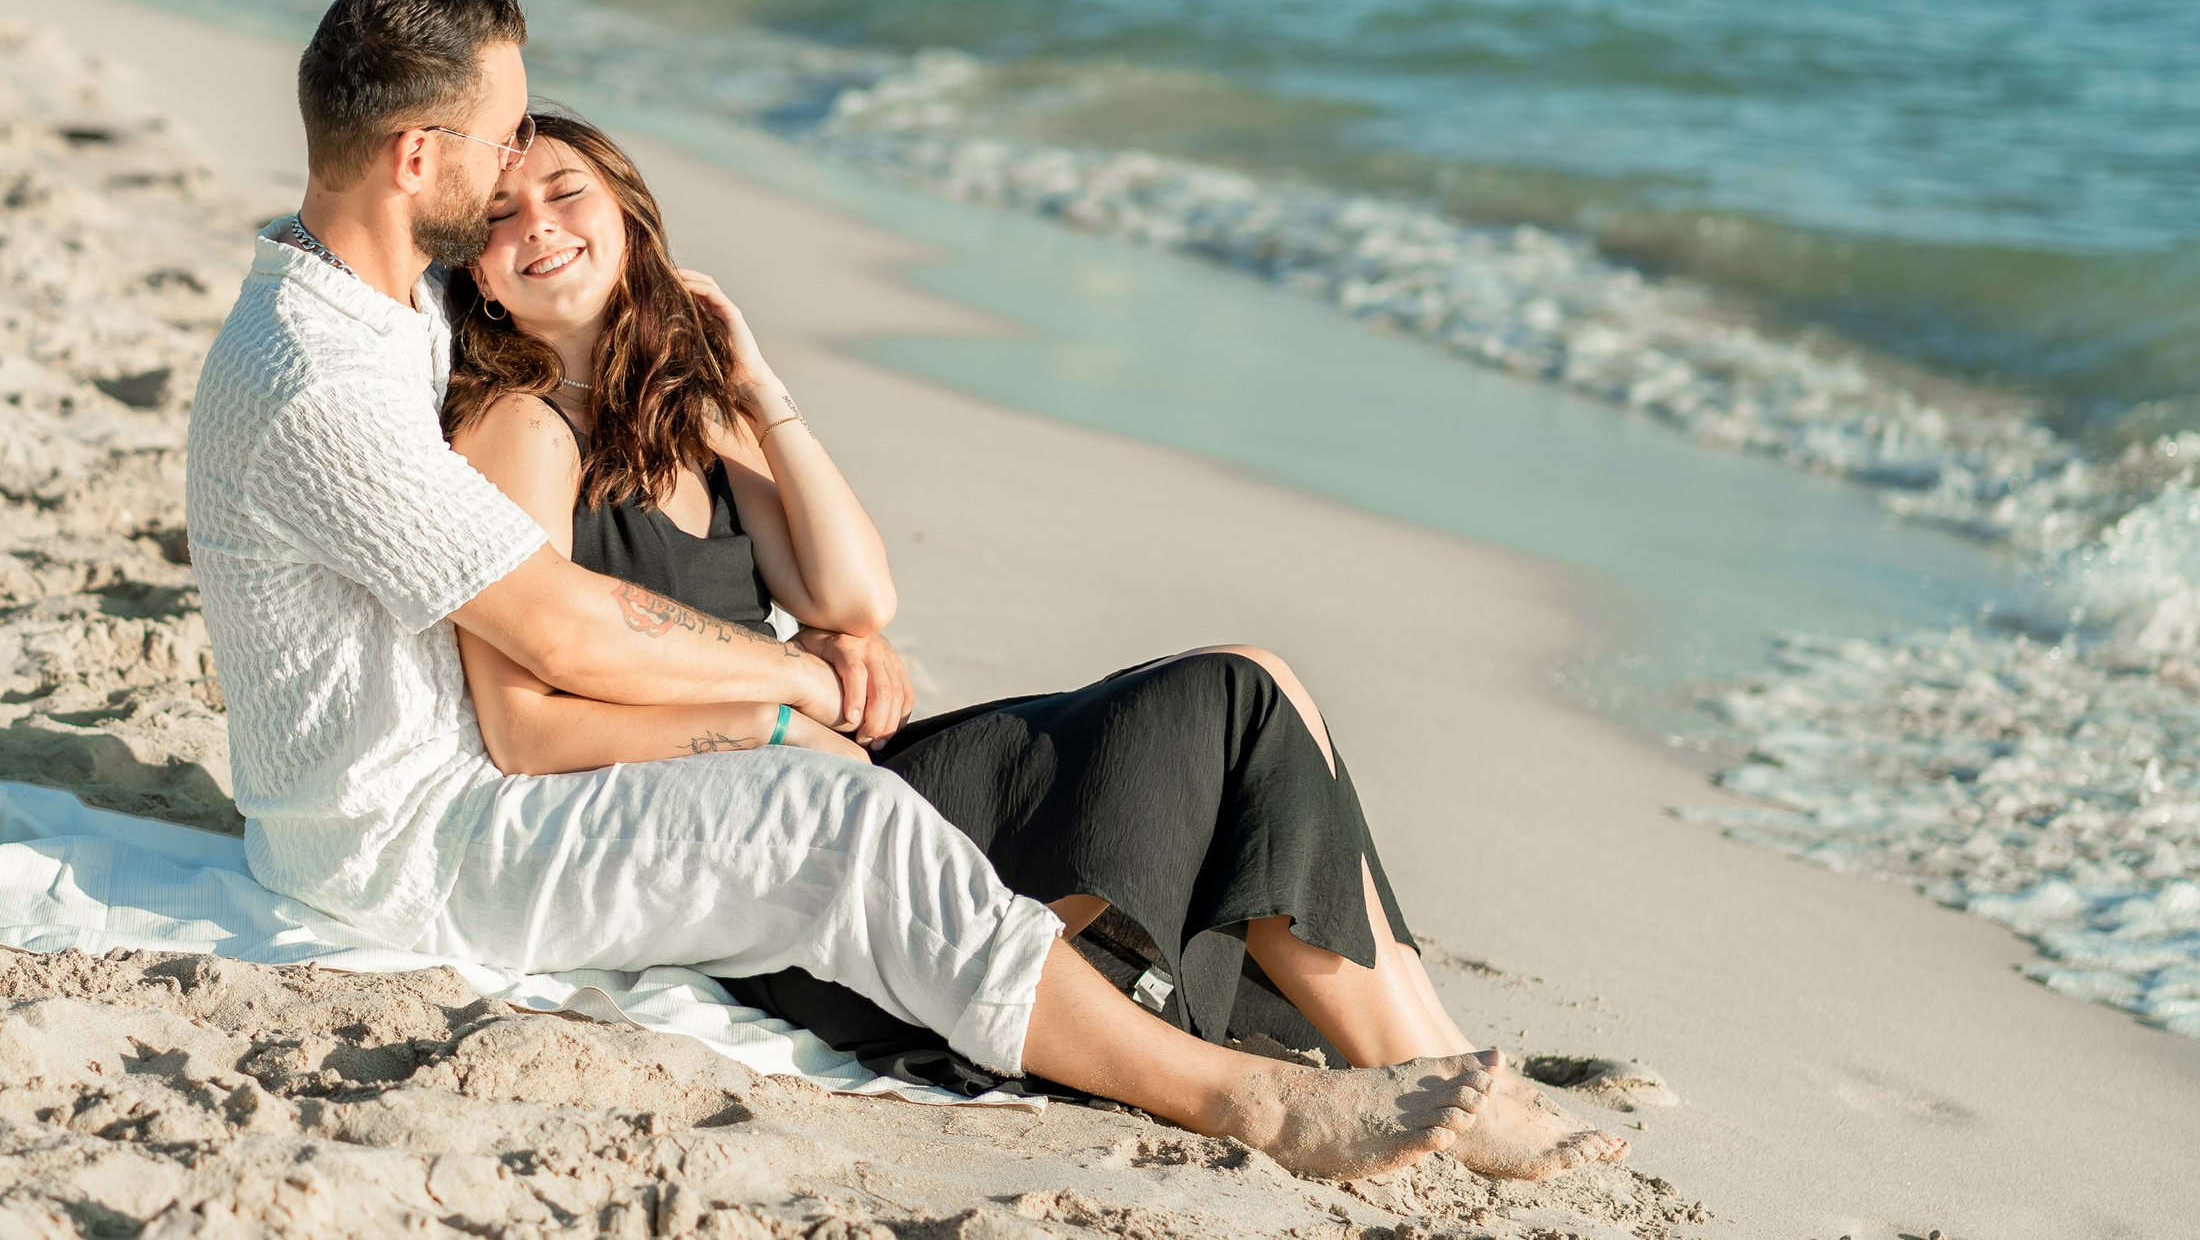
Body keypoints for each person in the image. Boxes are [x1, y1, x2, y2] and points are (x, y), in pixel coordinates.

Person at [187, 0, 1500, 1183]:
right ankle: (1241, 1099)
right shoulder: (321, 378)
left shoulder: (386, 304)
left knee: (1201, 709)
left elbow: (818, 590)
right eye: (504, 135)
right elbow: (560, 631)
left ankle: (1407, 1051)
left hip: (464, 783)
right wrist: (794, 685)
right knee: (843, 818)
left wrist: (760, 438)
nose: (522, 169)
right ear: (421, 157)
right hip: (410, 845)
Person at [436, 109, 1628, 1182]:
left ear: (632, 218)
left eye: (566, 191)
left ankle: (1442, 1063)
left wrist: (755, 381)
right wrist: (779, 714)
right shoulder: (519, 431)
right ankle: (1451, 1090)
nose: (539, 224)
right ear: (478, 277)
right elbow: (526, 726)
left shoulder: (680, 410)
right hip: (769, 841)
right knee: (1230, 701)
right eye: (501, 215)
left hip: (842, 770)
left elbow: (856, 592)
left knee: (1261, 692)